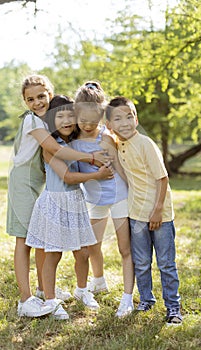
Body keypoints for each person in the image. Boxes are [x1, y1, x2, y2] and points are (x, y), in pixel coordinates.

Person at [6, 74, 111, 317]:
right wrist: (91, 159)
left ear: (50, 95)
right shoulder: (33, 121)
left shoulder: (50, 122)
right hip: (23, 182)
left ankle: (44, 290)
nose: (37, 102)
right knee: (24, 240)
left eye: (41, 96)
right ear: (25, 102)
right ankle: (26, 299)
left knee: (41, 240)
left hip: (39, 184)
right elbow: (54, 150)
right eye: (30, 99)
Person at [105, 96, 182, 325]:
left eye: (129, 116)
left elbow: (163, 178)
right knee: (141, 262)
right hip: (136, 214)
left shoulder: (146, 144)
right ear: (110, 125)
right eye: (117, 119)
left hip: (160, 215)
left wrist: (157, 210)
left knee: (166, 263)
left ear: (136, 119)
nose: (125, 123)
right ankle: (146, 300)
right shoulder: (119, 145)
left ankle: (173, 308)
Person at [72, 82, 135, 317]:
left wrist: (134, 191)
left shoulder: (106, 136)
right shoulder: (72, 139)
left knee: (124, 247)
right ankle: (98, 281)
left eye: (94, 120)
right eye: (83, 120)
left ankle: (127, 298)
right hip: (95, 200)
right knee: (92, 245)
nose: (88, 125)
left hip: (119, 196)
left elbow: (120, 167)